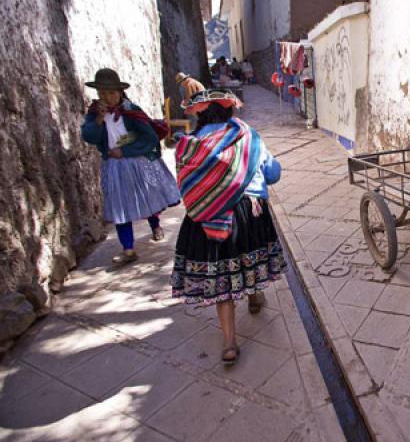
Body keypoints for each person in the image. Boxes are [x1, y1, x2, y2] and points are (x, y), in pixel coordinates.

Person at [170, 89, 283, 365]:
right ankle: (255, 297)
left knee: (222, 275)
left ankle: (230, 343)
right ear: (229, 111)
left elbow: (187, 184)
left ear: (199, 115)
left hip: (207, 216)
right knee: (249, 258)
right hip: (247, 212)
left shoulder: (189, 146)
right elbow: (273, 173)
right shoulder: (249, 137)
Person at [81, 68, 182, 265]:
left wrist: (125, 151)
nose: (107, 97)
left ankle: (155, 225)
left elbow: (150, 137)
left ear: (120, 92)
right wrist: (99, 119)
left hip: (138, 163)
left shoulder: (131, 111)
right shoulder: (94, 115)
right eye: (102, 93)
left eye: (111, 93)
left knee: (148, 198)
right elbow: (89, 137)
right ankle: (128, 249)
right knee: (120, 207)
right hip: (114, 167)